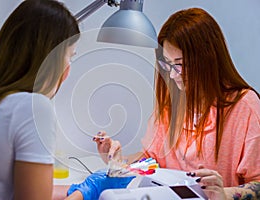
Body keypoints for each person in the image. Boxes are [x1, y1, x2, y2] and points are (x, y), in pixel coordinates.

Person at [0, 1, 134, 200]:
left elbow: (23, 190)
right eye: (69, 57)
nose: (68, 69)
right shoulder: (31, 108)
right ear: (50, 57)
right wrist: (90, 191)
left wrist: (81, 187)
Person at [94, 7, 260, 200]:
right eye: (168, 64)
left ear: (208, 59)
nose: (172, 75)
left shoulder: (245, 107)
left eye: (180, 65)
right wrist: (116, 161)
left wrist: (224, 193)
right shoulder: (172, 106)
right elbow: (151, 162)